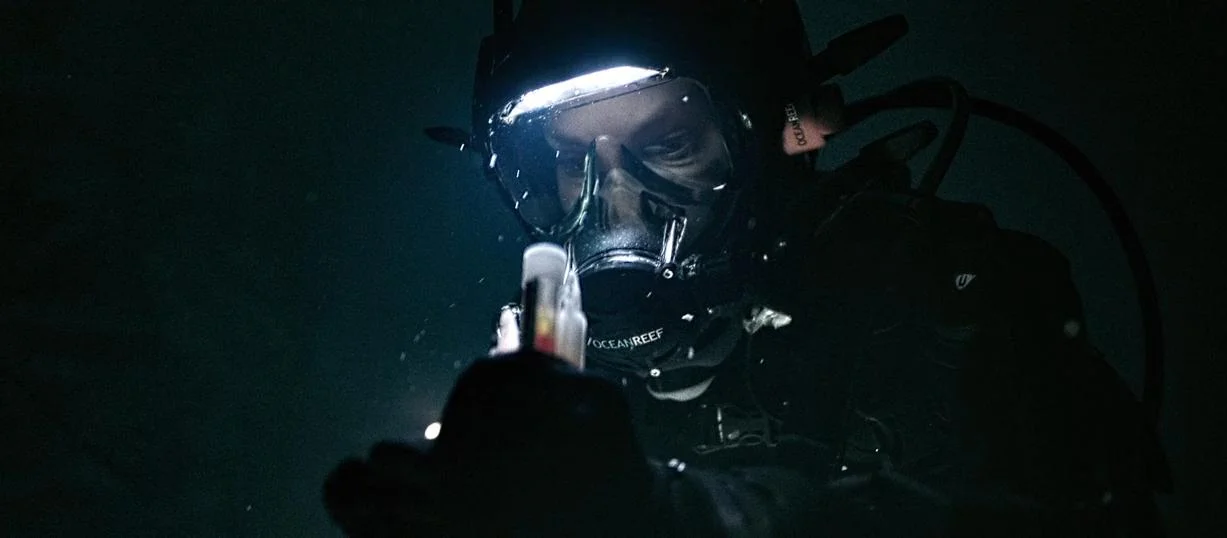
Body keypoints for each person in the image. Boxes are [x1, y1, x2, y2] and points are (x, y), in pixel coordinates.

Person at [323, 0, 1170, 535]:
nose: (616, 205)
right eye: (573, 161)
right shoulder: (531, 378)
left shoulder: (949, 298)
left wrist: (677, 516)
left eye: (669, 143)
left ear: (773, 139)